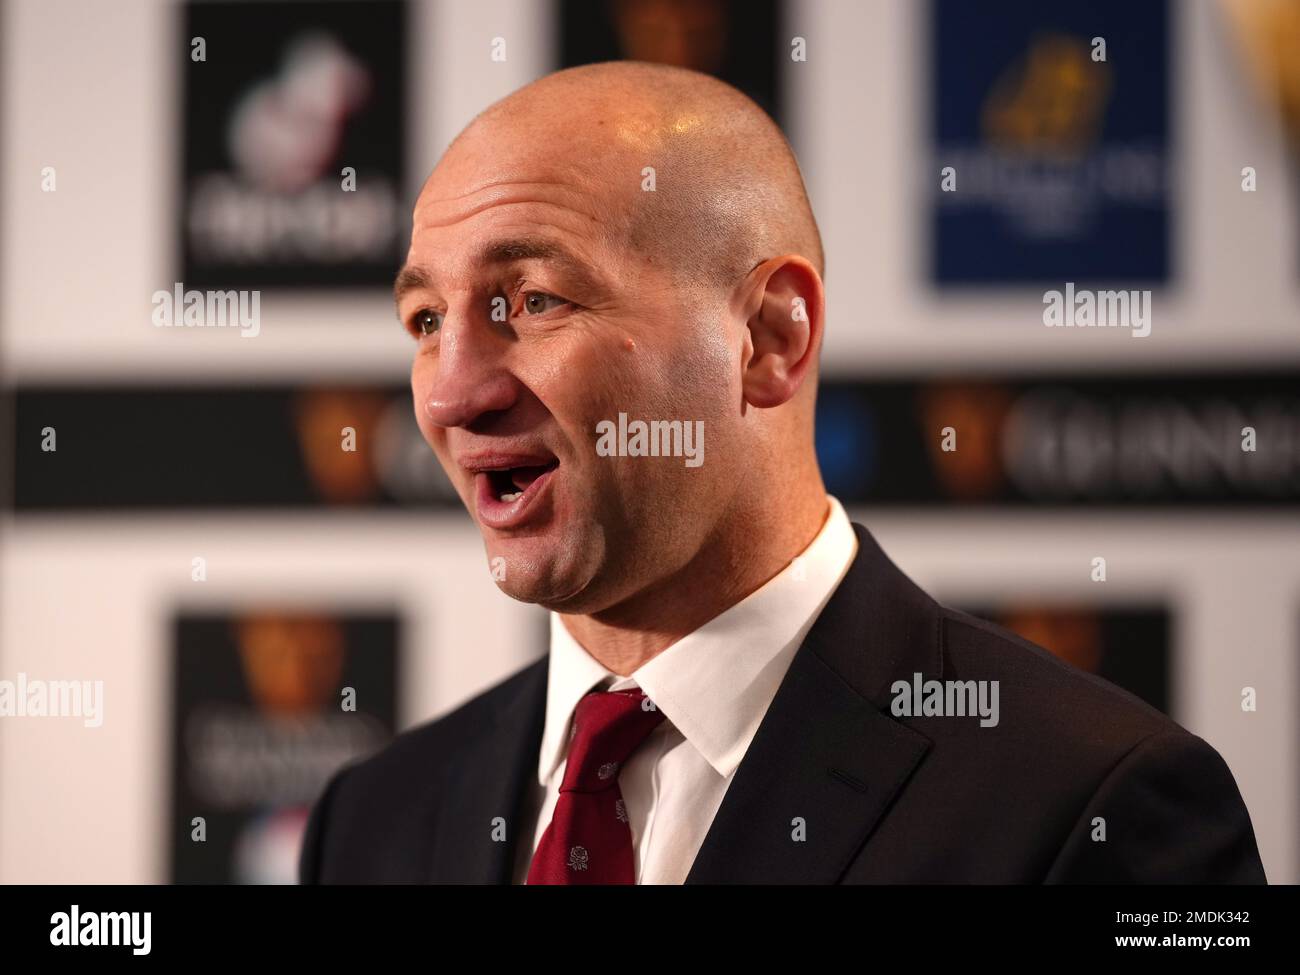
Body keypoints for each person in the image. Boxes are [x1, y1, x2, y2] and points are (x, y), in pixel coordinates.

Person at [299, 61, 1265, 884]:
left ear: (768, 336)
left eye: (534, 300)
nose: (452, 392)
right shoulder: (372, 824)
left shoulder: (1099, 805)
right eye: (426, 320)